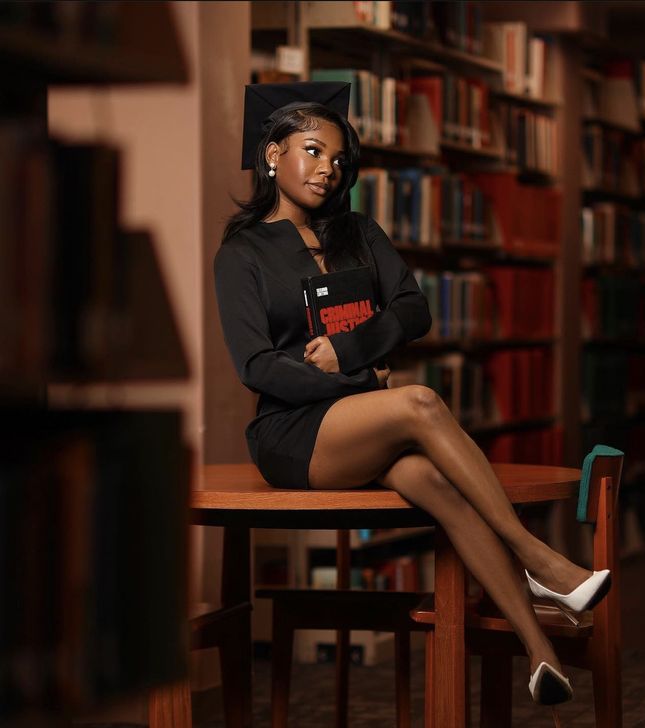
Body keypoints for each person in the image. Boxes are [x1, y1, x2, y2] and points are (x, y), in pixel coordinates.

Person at [214, 82, 611, 709]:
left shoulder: (359, 231)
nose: (327, 169)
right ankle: (538, 558)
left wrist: (349, 350)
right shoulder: (242, 253)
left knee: (436, 485)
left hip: (360, 417)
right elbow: (256, 365)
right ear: (272, 153)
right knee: (420, 402)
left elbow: (413, 310)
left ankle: (539, 651)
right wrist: (354, 382)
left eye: (338, 159)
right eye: (312, 151)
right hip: (293, 433)